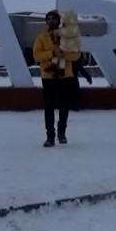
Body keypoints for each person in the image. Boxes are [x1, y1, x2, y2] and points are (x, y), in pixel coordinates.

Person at [33, 10, 82, 147]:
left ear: (59, 21)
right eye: (48, 19)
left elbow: (76, 55)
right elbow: (37, 56)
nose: (51, 21)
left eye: (54, 19)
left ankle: (62, 134)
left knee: (64, 106)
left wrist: (63, 55)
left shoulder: (68, 37)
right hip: (49, 77)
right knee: (49, 107)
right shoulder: (41, 37)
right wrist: (52, 53)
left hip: (65, 76)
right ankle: (50, 136)